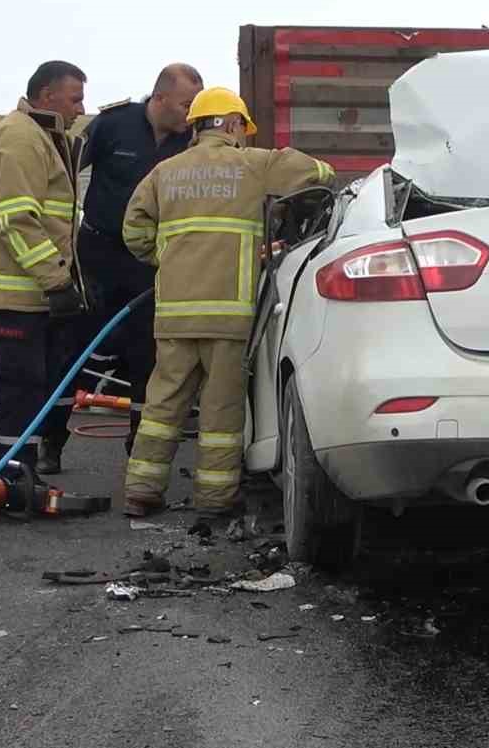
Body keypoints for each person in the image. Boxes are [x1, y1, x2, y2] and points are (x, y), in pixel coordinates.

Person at [120, 87, 335, 524]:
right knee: (220, 411)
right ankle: (215, 499)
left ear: (197, 126)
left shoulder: (164, 173)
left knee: (162, 405)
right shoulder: (254, 164)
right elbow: (320, 173)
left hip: (175, 316)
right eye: (242, 127)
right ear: (232, 124)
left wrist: (170, 257)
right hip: (228, 316)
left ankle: (141, 492)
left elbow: (134, 231)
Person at [39, 63, 203, 473]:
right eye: (185, 103)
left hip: (148, 262)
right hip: (98, 257)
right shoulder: (113, 125)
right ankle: (50, 444)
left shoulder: (192, 139)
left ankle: (139, 453)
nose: (190, 112)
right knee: (76, 355)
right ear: (160, 98)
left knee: (146, 360)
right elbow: (62, 172)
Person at [0, 61, 88, 477]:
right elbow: (18, 218)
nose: (80, 108)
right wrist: (56, 280)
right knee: (21, 386)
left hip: (28, 290)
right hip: (13, 291)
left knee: (37, 384)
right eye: (75, 98)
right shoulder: (20, 139)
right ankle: (9, 475)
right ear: (47, 95)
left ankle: (2, 468)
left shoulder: (44, 137)